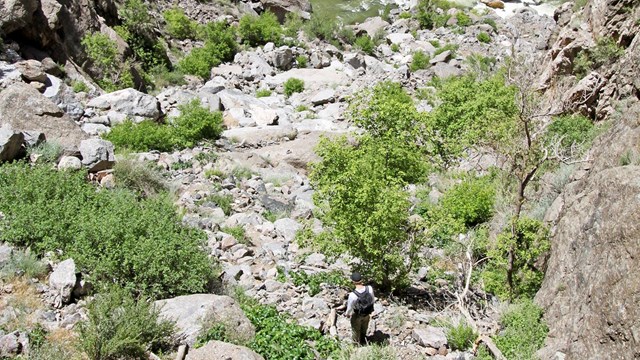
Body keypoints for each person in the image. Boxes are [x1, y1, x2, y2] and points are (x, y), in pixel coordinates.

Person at [345, 272, 375, 345]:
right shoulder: (369, 288)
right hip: (367, 313)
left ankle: (356, 344)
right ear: (362, 280)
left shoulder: (352, 295)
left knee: (355, 330)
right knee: (364, 328)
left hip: (357, 315)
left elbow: (350, 307)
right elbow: (373, 299)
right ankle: (363, 340)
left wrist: (347, 314)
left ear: (353, 282)